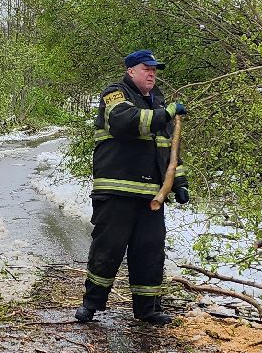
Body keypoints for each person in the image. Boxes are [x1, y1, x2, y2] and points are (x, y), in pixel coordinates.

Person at [75, 49, 190, 326]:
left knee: (150, 252)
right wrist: (165, 113)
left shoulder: (158, 101)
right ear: (131, 71)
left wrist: (180, 182)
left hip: (151, 196)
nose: (152, 73)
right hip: (116, 192)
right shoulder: (115, 95)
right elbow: (127, 123)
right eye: (146, 68)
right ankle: (91, 305)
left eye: (154, 70)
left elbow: (168, 150)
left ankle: (148, 309)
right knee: (108, 248)